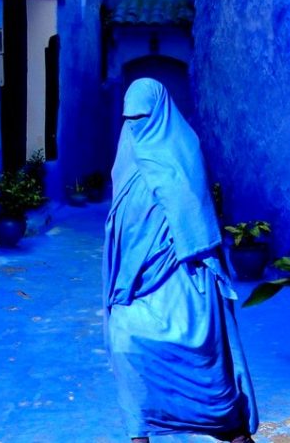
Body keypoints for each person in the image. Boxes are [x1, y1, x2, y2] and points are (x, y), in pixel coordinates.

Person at [103, 78, 258, 443]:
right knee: (125, 340)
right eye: (130, 118)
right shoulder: (127, 155)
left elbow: (197, 212)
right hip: (139, 283)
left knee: (207, 357)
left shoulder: (184, 148)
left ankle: (231, 429)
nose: (135, 124)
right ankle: (139, 432)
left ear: (160, 111)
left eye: (142, 116)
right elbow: (121, 227)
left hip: (189, 275)